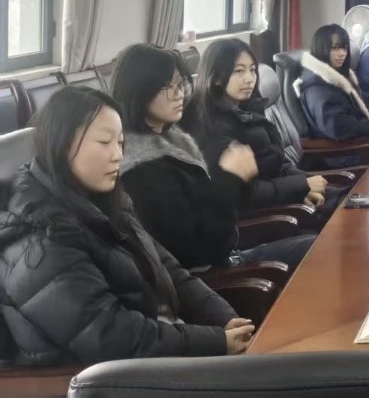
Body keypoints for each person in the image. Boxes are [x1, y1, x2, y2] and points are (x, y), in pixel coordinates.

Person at [0, 86, 254, 365]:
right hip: (117, 376)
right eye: (104, 142)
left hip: (162, 353)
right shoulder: (41, 238)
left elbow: (168, 270)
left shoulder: (105, 203)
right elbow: (110, 336)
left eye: (120, 142)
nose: (118, 155)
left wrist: (225, 319)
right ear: (62, 143)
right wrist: (216, 341)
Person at [113, 44, 315, 272]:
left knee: (318, 245)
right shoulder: (143, 170)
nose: (179, 94)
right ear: (139, 91)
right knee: (318, 252)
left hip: (229, 254)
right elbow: (197, 249)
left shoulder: (175, 141)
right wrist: (230, 179)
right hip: (212, 275)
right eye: (167, 86)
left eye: (179, 84)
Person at [184, 39, 339, 223]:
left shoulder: (246, 110)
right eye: (239, 71)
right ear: (216, 77)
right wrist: (301, 185)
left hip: (281, 197)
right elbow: (245, 195)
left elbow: (275, 164)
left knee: (346, 199)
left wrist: (305, 186)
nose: (249, 78)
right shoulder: (208, 128)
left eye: (252, 70)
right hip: (262, 220)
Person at [299, 24, 369, 142]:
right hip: (343, 149)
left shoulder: (340, 77)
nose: (342, 53)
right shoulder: (317, 86)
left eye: (345, 48)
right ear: (321, 48)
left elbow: (365, 104)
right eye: (335, 48)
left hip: (363, 139)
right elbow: (337, 127)